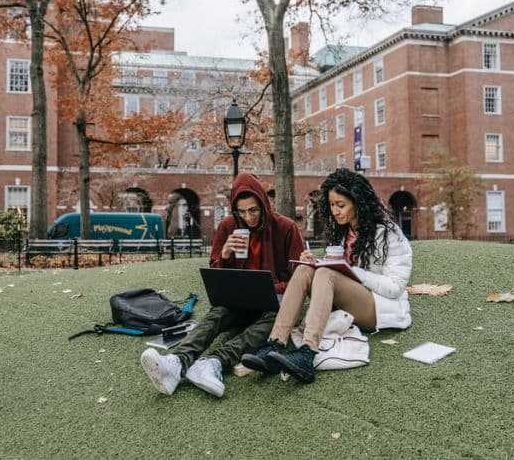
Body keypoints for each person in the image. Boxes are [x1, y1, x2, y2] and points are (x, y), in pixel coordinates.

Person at [140, 173, 304, 397]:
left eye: (254, 210)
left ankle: (213, 362)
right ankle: (176, 362)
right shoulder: (228, 226)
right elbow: (216, 275)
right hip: (239, 301)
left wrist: (271, 288)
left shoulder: (286, 228)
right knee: (218, 313)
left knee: (276, 318)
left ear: (265, 204)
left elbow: (299, 280)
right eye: (242, 211)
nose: (248, 217)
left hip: (273, 303)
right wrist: (225, 255)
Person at [241, 168, 412, 383]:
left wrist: (349, 271)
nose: (335, 211)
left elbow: (395, 287)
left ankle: (307, 352)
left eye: (341, 205)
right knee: (305, 269)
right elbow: (337, 272)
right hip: (347, 300)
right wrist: (316, 263)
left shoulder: (388, 234)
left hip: (377, 307)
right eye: (332, 205)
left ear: (358, 203)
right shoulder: (344, 232)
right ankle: (274, 344)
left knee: (326, 273)